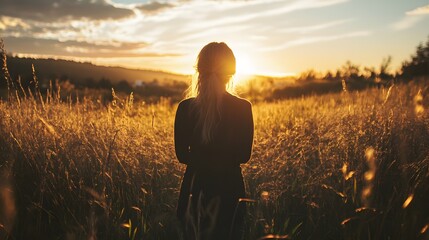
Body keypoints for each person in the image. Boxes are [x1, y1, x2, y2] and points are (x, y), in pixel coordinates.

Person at [174, 42, 254, 240]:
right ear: (231, 73)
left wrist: (203, 159)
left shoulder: (185, 108)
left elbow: (182, 155)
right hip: (230, 190)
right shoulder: (243, 107)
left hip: (194, 190)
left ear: (199, 70)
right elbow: (244, 156)